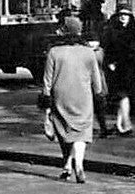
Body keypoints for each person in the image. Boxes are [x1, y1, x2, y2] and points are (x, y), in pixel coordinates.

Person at [43, 16, 105, 183]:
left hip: (61, 96)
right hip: (83, 97)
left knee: (65, 133)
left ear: (64, 31)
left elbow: (47, 80)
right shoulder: (88, 53)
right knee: (81, 132)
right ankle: (78, 164)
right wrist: (98, 95)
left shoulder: (54, 52)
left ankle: (67, 166)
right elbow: (96, 80)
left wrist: (46, 101)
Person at [100, 4, 135, 134]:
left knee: (123, 96)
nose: (123, 17)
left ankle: (124, 123)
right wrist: (110, 62)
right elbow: (107, 48)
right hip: (115, 68)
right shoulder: (111, 30)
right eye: (121, 15)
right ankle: (122, 124)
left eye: (126, 15)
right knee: (121, 96)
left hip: (129, 67)